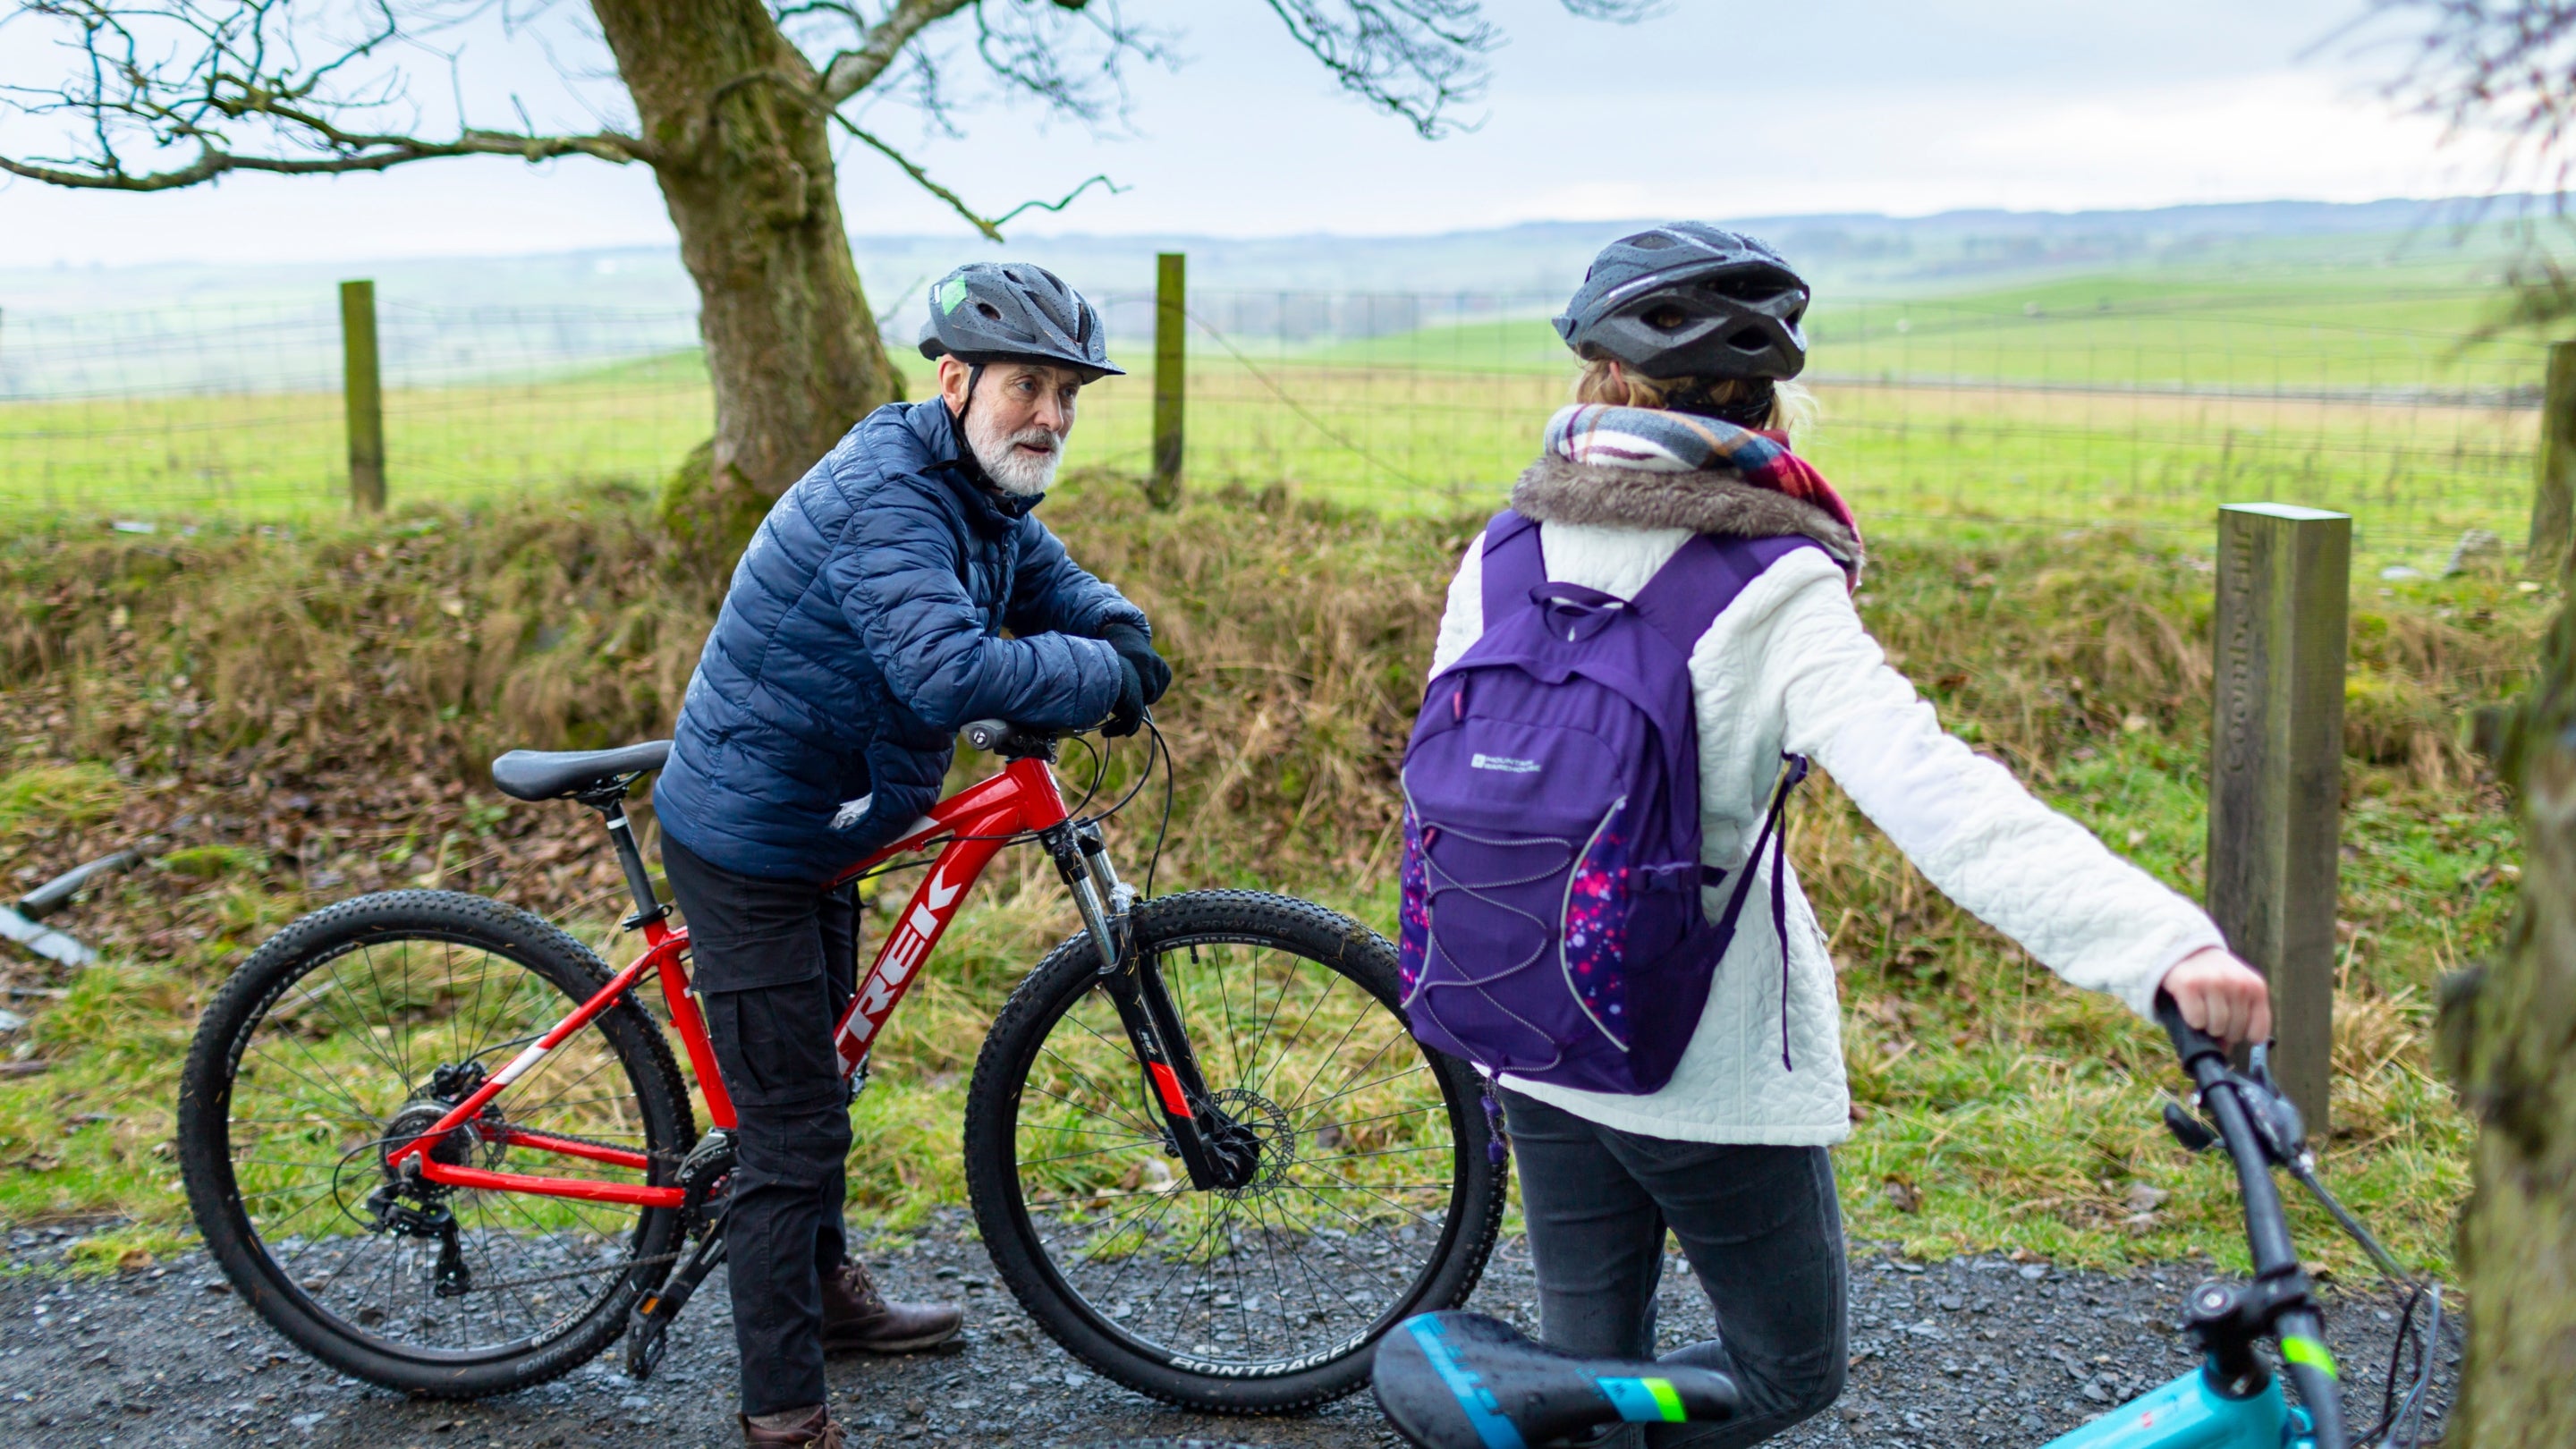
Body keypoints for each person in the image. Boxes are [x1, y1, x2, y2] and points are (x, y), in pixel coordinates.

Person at [1418, 225, 2271, 1448]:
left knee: (1583, 1380)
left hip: (1521, 1010)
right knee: (1787, 1373)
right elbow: (1939, 798)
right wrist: (2160, 946)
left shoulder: (1505, 547)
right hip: (1696, 1061)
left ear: (1595, 383)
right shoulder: (1773, 581)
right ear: (1773, 402)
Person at [650, 263, 1174, 1449]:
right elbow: (946, 672)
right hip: (757, 833)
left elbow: (1037, 574)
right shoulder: (888, 493)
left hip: (829, 814)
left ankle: (827, 1294)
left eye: (1068, 394)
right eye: (1028, 386)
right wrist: (1101, 679)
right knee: (789, 1131)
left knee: (818, 1079)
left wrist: (1118, 627)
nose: (1051, 413)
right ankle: (782, 1416)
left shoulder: (971, 483)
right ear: (955, 380)